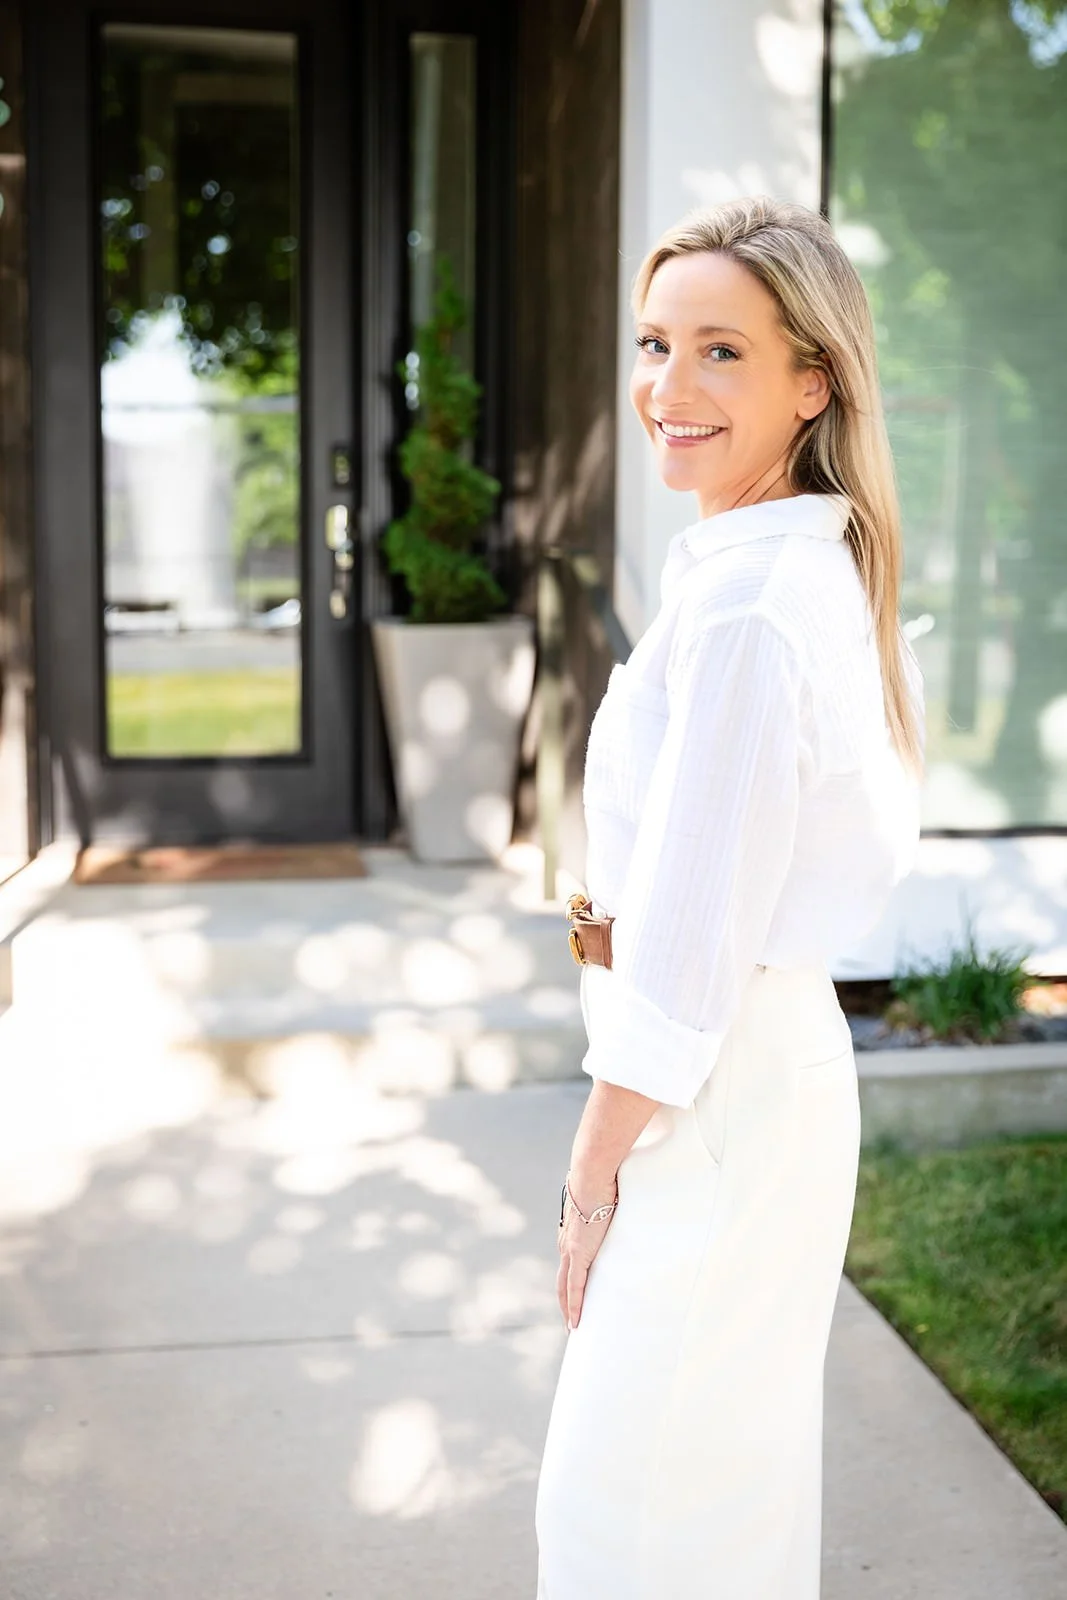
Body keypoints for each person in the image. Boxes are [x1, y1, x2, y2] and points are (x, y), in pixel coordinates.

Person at [533, 196, 926, 1600]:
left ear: (809, 382)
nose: (667, 390)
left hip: (709, 1094)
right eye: (655, 345)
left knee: (625, 1522)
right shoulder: (770, 573)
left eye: (720, 353)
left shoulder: (760, 607)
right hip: (746, 1079)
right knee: (708, 1507)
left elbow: (689, 948)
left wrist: (588, 1177)